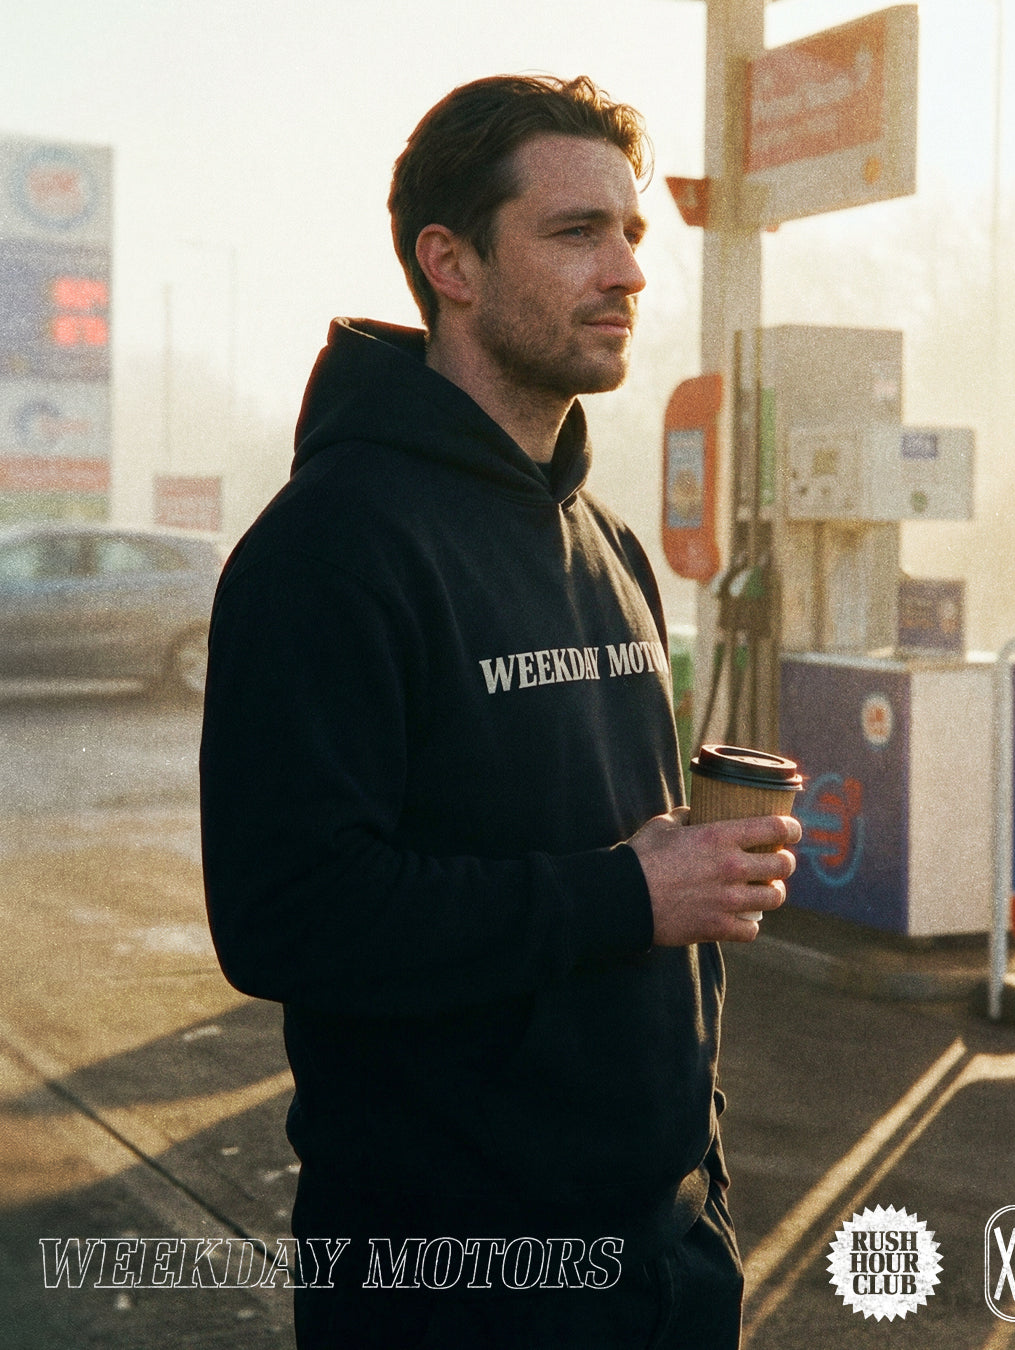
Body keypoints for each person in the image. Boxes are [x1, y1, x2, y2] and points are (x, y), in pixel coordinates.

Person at [199, 73, 800, 1350]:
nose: (630, 272)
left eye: (634, 233)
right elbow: (286, 916)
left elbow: (625, 874)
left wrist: (705, 1207)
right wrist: (629, 895)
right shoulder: (332, 545)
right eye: (578, 232)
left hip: (667, 1265)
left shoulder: (611, 541)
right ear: (450, 261)